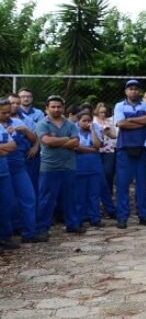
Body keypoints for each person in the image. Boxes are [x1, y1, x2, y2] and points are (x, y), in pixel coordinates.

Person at [35, 95, 83, 237]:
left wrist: (56, 141)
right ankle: (42, 228)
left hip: (69, 166)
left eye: (59, 106)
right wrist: (67, 139)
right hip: (49, 168)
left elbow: (76, 143)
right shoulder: (42, 123)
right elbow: (46, 141)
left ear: (63, 108)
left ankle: (72, 225)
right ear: (47, 108)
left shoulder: (70, 125)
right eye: (53, 107)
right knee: (46, 199)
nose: (56, 109)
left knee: (70, 198)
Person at [114, 79, 146, 229]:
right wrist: (140, 121)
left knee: (143, 184)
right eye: (130, 89)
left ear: (139, 91)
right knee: (122, 185)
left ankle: (143, 215)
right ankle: (122, 217)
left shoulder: (145, 105)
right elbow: (121, 124)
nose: (133, 91)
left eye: (136, 89)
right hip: (124, 149)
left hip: (142, 149)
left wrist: (130, 119)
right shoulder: (119, 105)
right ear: (126, 91)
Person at [0, 99, 38, 244]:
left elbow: (32, 140)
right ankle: (7, 234)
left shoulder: (17, 123)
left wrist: (26, 131)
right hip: (3, 167)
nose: (7, 115)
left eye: (9, 112)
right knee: (7, 202)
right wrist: (5, 149)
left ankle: (29, 233)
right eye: (3, 113)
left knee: (28, 198)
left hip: (18, 166)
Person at [74, 110, 104, 228]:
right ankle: (79, 218)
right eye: (84, 121)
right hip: (79, 166)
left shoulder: (95, 128)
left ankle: (94, 218)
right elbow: (75, 147)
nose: (87, 123)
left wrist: (92, 130)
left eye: (89, 121)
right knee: (79, 195)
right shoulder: (74, 130)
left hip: (94, 166)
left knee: (94, 194)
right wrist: (91, 150)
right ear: (78, 121)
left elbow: (97, 145)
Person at [93, 102, 117, 220]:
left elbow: (114, 135)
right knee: (98, 176)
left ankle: (108, 203)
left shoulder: (109, 121)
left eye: (105, 112)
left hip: (108, 150)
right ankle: (98, 204)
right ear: (97, 111)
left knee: (108, 175)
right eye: (101, 112)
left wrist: (108, 132)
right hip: (96, 151)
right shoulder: (92, 121)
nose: (103, 114)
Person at [18, 88, 44, 193]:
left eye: (28, 96)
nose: (26, 98)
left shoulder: (39, 113)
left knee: (33, 182)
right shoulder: (13, 113)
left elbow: (40, 133)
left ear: (32, 98)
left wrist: (35, 147)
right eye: (23, 96)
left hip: (33, 152)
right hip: (18, 150)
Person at [0, 117, 19, 251]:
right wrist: (3, 149)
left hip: (3, 171)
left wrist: (3, 149)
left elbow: (12, 146)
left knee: (7, 204)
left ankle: (5, 237)